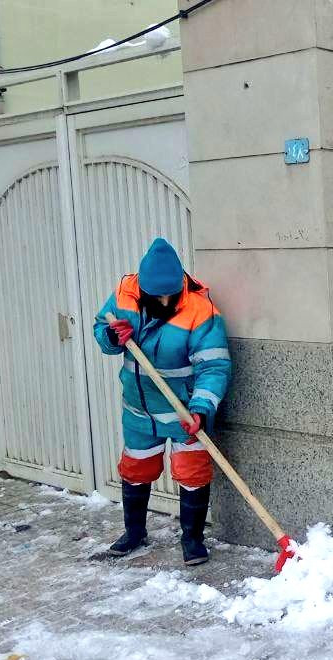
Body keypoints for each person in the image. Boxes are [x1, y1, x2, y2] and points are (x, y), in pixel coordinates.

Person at [92, 238, 231, 565]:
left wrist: (201, 408)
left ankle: (192, 539)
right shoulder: (124, 295)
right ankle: (134, 533)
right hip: (139, 408)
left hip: (185, 410)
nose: (165, 302)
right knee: (136, 468)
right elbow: (102, 328)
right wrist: (112, 337)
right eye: (158, 297)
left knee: (192, 471)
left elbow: (214, 366)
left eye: (171, 295)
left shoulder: (200, 311)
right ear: (143, 288)